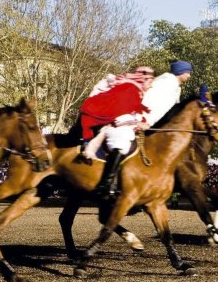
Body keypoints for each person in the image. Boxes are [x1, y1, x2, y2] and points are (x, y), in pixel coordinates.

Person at [79, 66, 154, 200]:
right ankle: (106, 185)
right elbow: (120, 114)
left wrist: (141, 120)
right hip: (109, 122)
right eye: (150, 81)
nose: (151, 85)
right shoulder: (130, 89)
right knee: (121, 143)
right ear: (144, 79)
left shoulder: (135, 90)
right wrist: (138, 122)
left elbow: (131, 110)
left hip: (116, 121)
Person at [143, 61, 193, 126]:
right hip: (148, 123)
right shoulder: (168, 84)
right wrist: (149, 123)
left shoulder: (174, 85)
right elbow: (159, 107)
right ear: (180, 72)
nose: (189, 76)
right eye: (187, 73)